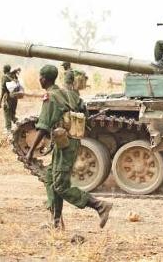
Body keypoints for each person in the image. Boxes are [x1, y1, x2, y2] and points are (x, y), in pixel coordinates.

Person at [25, 65, 113, 229]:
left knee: (60, 186)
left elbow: (43, 127)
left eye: (40, 77)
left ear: (44, 79)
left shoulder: (51, 97)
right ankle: (56, 222)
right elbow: (84, 112)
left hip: (65, 144)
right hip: (68, 142)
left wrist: (31, 151)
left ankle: (99, 206)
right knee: (51, 179)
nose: (39, 80)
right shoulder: (68, 93)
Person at [0, 64, 18, 134]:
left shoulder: (4, 77)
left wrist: (0, 101)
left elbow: (3, 90)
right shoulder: (14, 75)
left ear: (5, 69)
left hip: (8, 98)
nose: (2, 70)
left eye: (3, 69)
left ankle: (8, 129)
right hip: (15, 97)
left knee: (7, 113)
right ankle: (19, 123)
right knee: (12, 114)